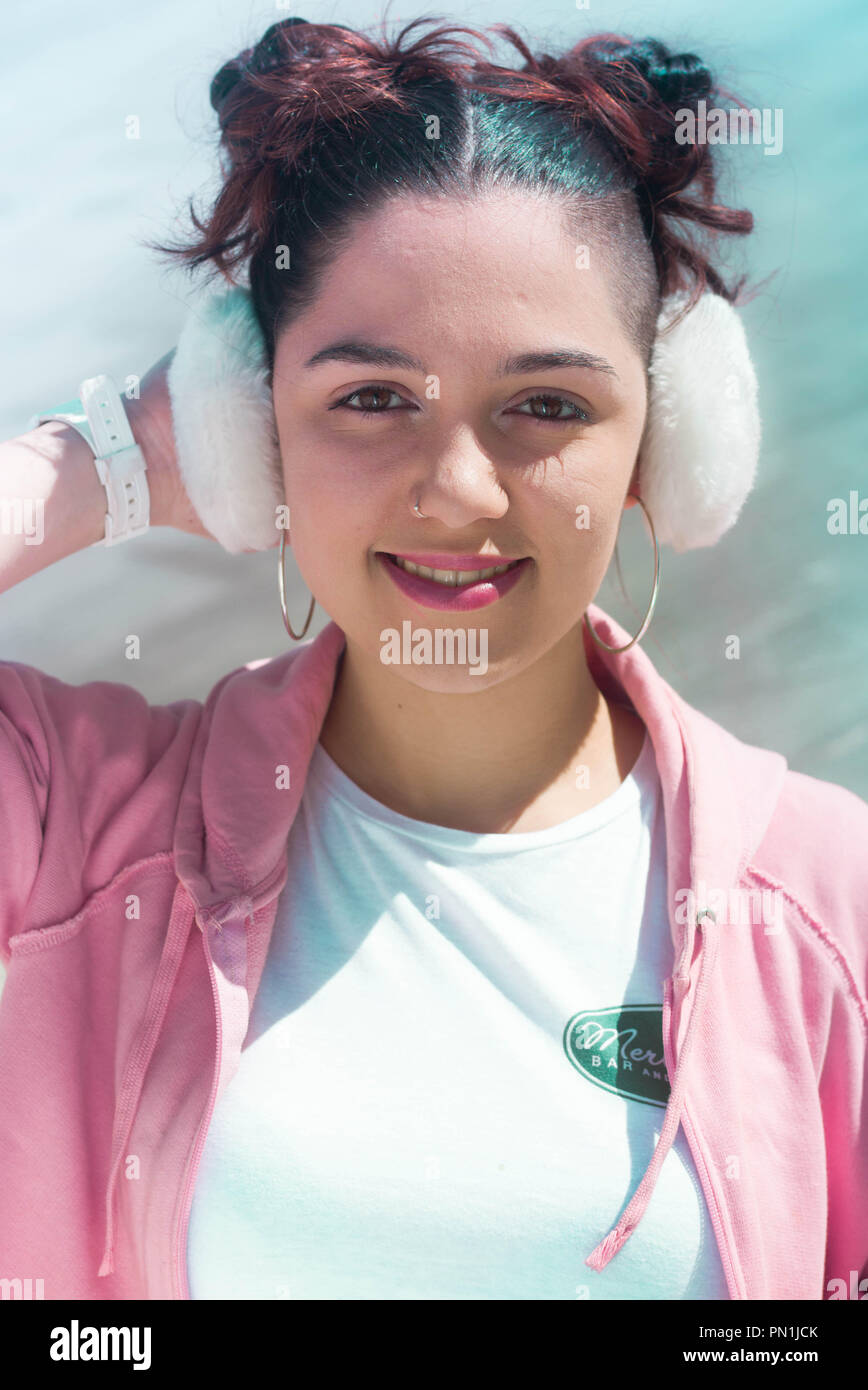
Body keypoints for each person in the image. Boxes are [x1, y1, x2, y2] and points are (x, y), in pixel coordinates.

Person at [0, 16, 866, 1303]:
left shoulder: (827, 906)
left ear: (669, 442)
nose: (457, 492)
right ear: (255, 426)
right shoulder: (74, 834)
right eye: (370, 398)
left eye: (548, 405)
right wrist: (119, 463)